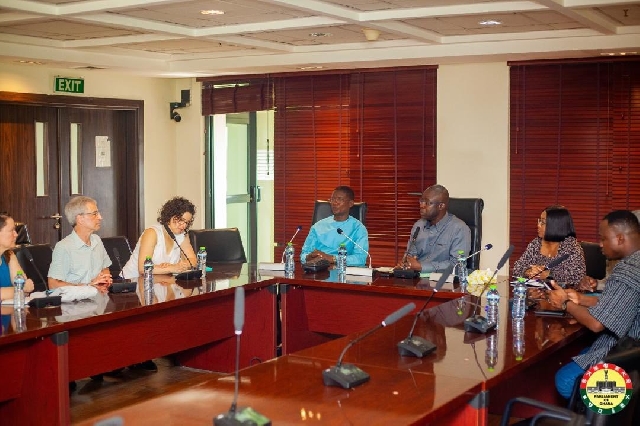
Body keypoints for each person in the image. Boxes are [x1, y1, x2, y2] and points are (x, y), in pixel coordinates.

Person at [547, 210, 640, 399]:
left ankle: (600, 410)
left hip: (626, 355)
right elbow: (621, 302)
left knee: (565, 380)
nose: (600, 244)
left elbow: (597, 324)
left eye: (603, 238)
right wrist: (582, 300)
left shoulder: (628, 269)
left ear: (620, 238)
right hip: (633, 354)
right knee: (582, 351)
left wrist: (565, 303)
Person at [397, 184, 471, 273]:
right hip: (416, 278)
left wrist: (421, 267)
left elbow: (457, 265)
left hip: (443, 280)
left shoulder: (459, 229)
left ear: (441, 206)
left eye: (427, 203)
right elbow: (410, 255)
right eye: (421, 201)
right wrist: (406, 262)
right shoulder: (418, 226)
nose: (422, 205)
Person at [48, 196, 113, 293]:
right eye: (94, 214)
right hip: (75, 300)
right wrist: (87, 286)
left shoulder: (97, 240)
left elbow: (105, 267)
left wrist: (105, 278)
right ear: (80, 219)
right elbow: (53, 285)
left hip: (98, 297)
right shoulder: (64, 247)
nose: (100, 217)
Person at [122, 196, 197, 278]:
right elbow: (143, 268)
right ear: (170, 216)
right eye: (180, 220)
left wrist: (178, 266)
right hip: (131, 281)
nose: (183, 225)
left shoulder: (182, 235)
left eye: (187, 222)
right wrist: (172, 268)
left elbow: (193, 261)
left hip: (159, 280)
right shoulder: (152, 233)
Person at [512, 205, 586, 289]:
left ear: (555, 225)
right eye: (539, 221)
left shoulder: (571, 246)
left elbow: (577, 277)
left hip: (562, 294)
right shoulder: (536, 243)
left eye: (542, 222)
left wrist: (549, 274)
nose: (538, 225)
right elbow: (517, 267)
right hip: (537, 292)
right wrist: (528, 271)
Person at [301, 186, 369, 266]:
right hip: (319, 269)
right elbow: (303, 254)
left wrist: (332, 258)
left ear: (350, 203)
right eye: (332, 199)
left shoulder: (358, 228)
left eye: (339, 199)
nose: (334, 203)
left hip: (344, 270)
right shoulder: (318, 226)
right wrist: (308, 257)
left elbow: (360, 259)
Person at [578, 209, 640, 292]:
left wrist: (578, 298)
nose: (601, 245)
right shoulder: (616, 257)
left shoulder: (630, 267)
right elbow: (614, 286)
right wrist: (597, 284)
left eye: (604, 239)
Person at [0, 213, 35, 301]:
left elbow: (26, 288)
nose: (16, 234)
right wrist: (21, 289)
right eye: (11, 230)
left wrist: (22, 289)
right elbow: (23, 288)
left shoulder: (9, 254)